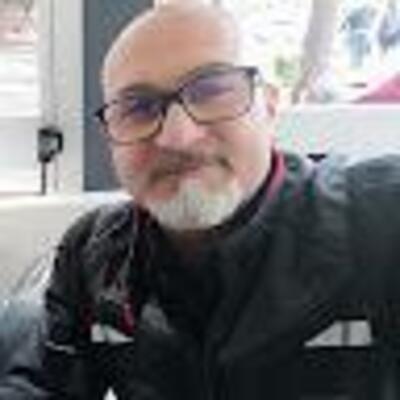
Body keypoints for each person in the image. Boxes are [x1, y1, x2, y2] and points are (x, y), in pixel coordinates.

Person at [2, 1, 400, 399]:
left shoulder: (381, 219)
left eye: (211, 91)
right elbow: (40, 384)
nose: (178, 137)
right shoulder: (92, 255)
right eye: (138, 108)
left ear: (269, 107)